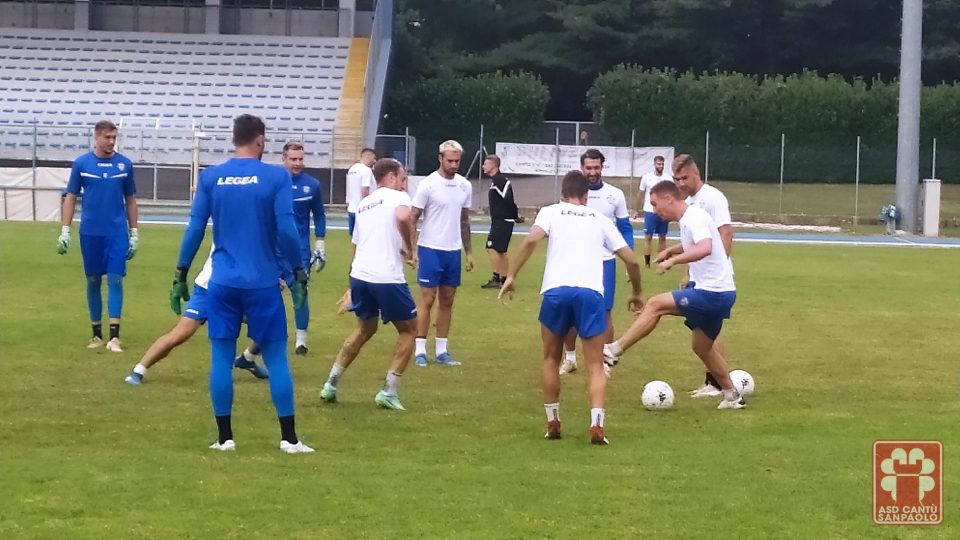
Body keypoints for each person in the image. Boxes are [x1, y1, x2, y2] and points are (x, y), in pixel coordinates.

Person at [171, 113, 313, 454]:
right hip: (262, 282)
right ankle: (289, 439)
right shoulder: (276, 177)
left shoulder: (212, 177)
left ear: (234, 140)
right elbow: (287, 231)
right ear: (260, 140)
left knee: (220, 358)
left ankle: (224, 438)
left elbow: (194, 229)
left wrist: (180, 273)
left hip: (222, 282)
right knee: (277, 358)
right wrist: (297, 271)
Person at [498, 170, 642, 445]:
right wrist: (636, 292)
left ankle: (553, 422)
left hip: (556, 291)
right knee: (595, 365)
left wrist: (512, 276)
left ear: (562, 193)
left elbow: (530, 240)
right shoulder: (599, 219)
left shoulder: (551, 212)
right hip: (590, 294)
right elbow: (632, 260)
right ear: (586, 197)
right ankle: (597, 426)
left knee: (551, 358)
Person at [602, 180, 744, 410]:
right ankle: (732, 396)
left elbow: (705, 247)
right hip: (720, 292)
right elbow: (696, 242)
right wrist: (671, 249)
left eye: (656, 204)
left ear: (670, 198)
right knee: (702, 348)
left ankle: (612, 351)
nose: (656, 210)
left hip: (713, 293)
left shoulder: (694, 217)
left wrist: (674, 260)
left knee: (656, 304)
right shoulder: (690, 218)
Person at [319, 158, 418, 410]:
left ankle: (331, 383)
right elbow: (404, 217)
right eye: (403, 177)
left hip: (361, 274)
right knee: (409, 330)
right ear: (391, 177)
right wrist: (410, 248)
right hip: (386, 277)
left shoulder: (364, 204)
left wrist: (352, 285)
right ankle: (388, 391)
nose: (404, 183)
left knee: (365, 329)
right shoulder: (398, 197)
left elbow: (357, 244)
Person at [123, 248, 269, 385]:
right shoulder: (235, 225)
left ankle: (248, 358)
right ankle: (139, 370)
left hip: (236, 289)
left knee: (269, 322)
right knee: (181, 333)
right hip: (210, 288)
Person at [58, 120, 138, 352]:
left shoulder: (125, 165)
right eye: (108, 138)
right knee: (93, 280)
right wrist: (65, 230)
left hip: (116, 233)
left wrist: (134, 233)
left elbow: (131, 199)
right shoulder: (82, 164)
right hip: (90, 233)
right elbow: (71, 196)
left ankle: (114, 337)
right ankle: (96, 335)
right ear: (97, 138)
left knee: (115, 279)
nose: (112, 142)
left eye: (115, 138)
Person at [559, 148, 634, 375]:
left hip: (605, 262)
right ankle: (570, 358)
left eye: (596, 167)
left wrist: (629, 258)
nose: (592, 172)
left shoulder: (615, 195)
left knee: (604, 312)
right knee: (571, 311)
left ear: (602, 167)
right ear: (582, 167)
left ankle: (604, 361)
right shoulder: (571, 194)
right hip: (576, 260)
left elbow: (625, 229)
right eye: (588, 167)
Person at [672, 154, 734, 398]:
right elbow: (692, 244)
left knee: (710, 332)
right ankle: (714, 383)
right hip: (700, 276)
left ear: (696, 173)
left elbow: (726, 234)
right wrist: (687, 271)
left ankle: (718, 384)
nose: (681, 184)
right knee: (701, 330)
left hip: (714, 279)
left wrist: (720, 271)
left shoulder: (712, 198)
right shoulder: (690, 202)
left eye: (684, 178)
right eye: (676, 179)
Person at [410, 140, 474, 367]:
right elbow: (413, 217)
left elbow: (464, 220)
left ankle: (442, 350)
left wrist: (469, 252)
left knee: (448, 300)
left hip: (452, 251)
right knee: (427, 300)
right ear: (440, 158)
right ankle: (419, 350)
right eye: (450, 160)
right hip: (430, 249)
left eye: (457, 160)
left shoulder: (465, 185)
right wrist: (412, 249)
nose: (454, 164)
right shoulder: (428, 185)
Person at [282, 140, 327, 355]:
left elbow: (318, 214)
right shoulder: (273, 182)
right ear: (284, 159)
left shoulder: (312, 185)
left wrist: (320, 242)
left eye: (300, 159)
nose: (297, 163)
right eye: (293, 159)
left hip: (299, 251)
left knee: (300, 292)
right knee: (264, 294)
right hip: (272, 250)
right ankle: (263, 338)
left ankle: (301, 341)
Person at [481, 154, 524, 289]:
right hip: (501, 220)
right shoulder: (496, 181)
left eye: (485, 163)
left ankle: (497, 278)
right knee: (500, 250)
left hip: (502, 221)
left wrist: (515, 215)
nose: (483, 166)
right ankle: (503, 278)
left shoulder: (500, 181)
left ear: (493, 165)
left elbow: (509, 200)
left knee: (491, 248)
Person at [636, 155, 673, 268]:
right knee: (648, 236)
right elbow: (640, 194)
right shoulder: (647, 178)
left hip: (664, 211)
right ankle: (647, 263)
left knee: (662, 236)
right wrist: (637, 210)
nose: (660, 166)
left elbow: (671, 196)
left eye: (662, 164)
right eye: (658, 164)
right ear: (654, 164)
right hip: (650, 211)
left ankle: (661, 260)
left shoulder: (668, 179)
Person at [345, 148, 376, 235]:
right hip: (362, 210)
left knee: (354, 238)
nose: (374, 161)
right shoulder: (366, 170)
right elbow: (365, 190)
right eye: (373, 158)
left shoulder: (352, 169)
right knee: (364, 237)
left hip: (352, 208)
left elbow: (349, 188)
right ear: (368, 156)